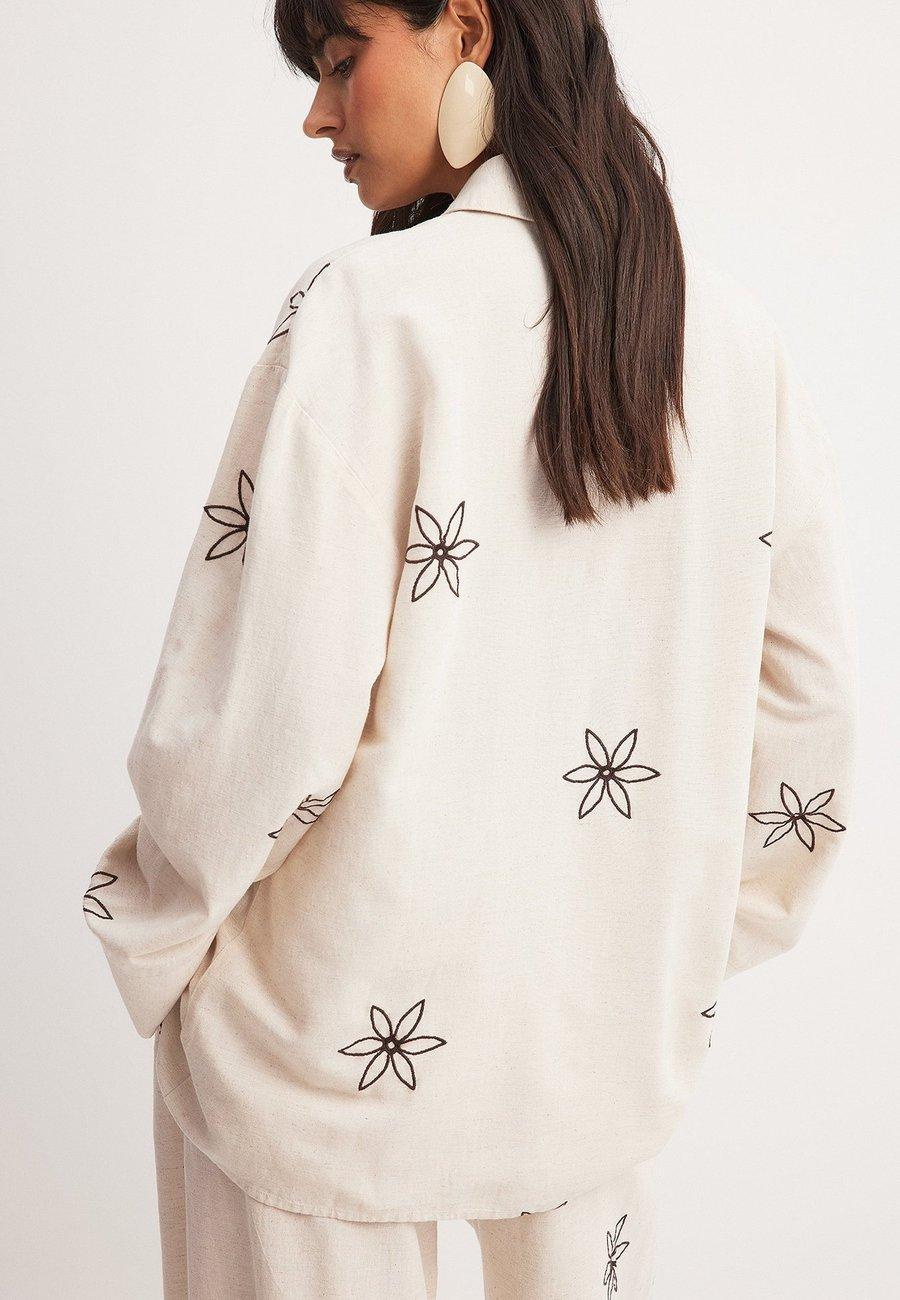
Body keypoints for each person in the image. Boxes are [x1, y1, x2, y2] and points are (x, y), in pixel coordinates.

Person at [82, 1, 858, 1296]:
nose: (318, 115)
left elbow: (262, 714)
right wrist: (647, 945)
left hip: (310, 1064)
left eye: (342, 60)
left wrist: (157, 933)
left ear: (468, 28)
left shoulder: (368, 310)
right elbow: (808, 722)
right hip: (588, 1068)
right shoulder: (728, 339)